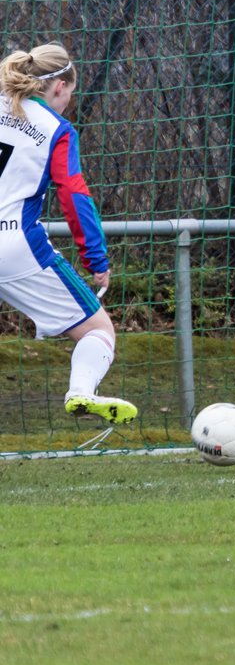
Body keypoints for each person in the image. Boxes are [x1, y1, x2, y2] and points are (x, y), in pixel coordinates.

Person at [0, 43, 137, 425]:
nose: (68, 103)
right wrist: (97, 261)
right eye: (70, 95)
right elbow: (74, 196)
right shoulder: (56, 129)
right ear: (59, 86)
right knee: (98, 329)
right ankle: (80, 392)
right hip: (13, 247)